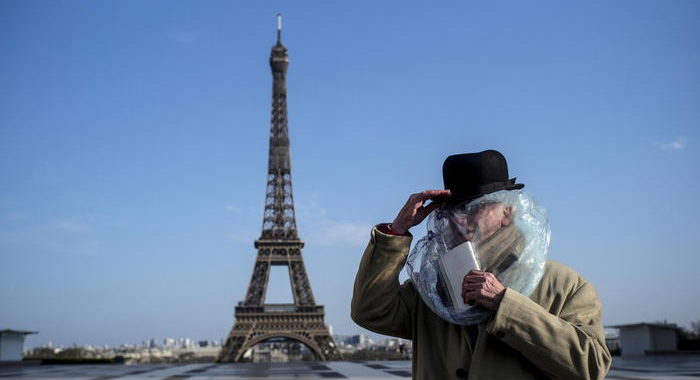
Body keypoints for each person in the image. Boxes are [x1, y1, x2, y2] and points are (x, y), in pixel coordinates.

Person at [351, 150, 611, 379]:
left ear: (507, 213)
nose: (462, 217)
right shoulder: (431, 288)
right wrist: (396, 232)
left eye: (477, 206)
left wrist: (506, 305)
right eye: (453, 208)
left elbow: (591, 367)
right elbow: (371, 312)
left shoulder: (564, 285)